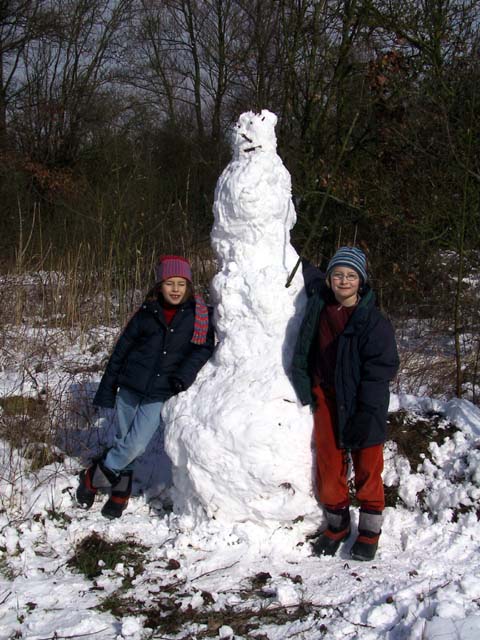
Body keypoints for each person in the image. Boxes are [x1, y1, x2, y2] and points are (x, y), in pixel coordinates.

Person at [76, 255, 215, 519]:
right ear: (159, 285)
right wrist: (108, 387)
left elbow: (202, 349)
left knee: (136, 444)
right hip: (130, 385)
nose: (175, 289)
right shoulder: (147, 312)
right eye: (169, 283)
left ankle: (94, 476)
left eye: (181, 284)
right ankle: (121, 489)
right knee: (124, 438)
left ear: (188, 286)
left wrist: (182, 377)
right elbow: (122, 350)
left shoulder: (198, 315)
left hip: (160, 390)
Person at [291, 247, 399, 561]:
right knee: (328, 461)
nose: (344, 280)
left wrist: (367, 410)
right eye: (338, 274)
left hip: (364, 401)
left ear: (361, 281)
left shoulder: (372, 321)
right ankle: (337, 525)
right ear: (329, 279)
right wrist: (295, 251)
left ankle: (369, 530)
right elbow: (306, 273)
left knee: (367, 464)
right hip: (326, 395)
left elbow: (381, 369)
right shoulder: (320, 305)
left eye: (351, 275)